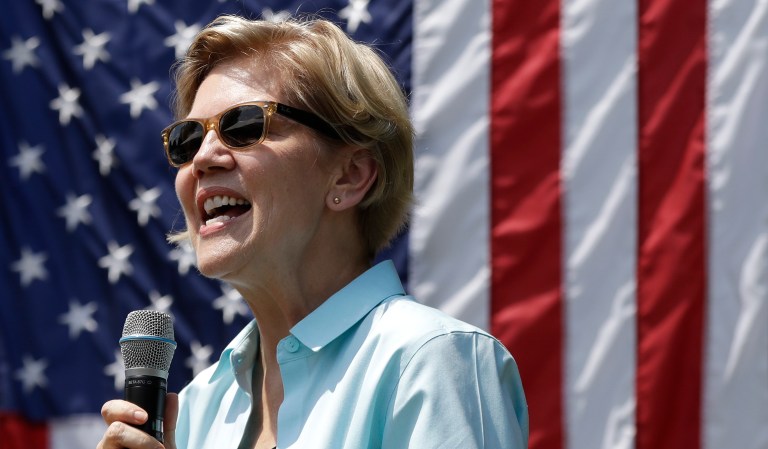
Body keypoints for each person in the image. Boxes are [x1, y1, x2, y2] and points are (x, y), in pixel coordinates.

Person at [97, 15, 528, 449]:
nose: (204, 157)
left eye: (244, 126)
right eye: (186, 139)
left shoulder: (432, 361)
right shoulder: (195, 409)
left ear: (350, 176)